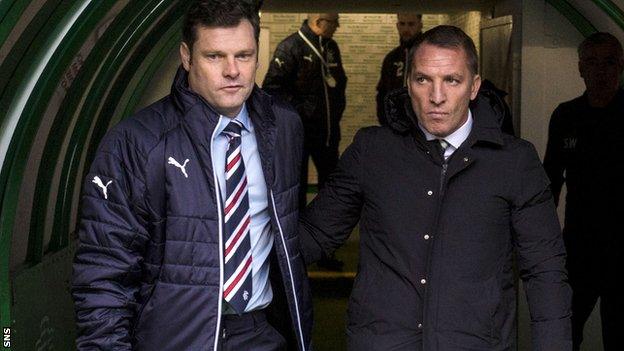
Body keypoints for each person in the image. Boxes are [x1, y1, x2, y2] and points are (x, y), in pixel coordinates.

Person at [299, 25, 572, 350]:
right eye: (423, 79)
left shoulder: (515, 162)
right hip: (383, 342)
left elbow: (546, 271)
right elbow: (313, 236)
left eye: (451, 81)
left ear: (474, 87)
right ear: (408, 83)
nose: (436, 97)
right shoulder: (372, 151)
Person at [71, 1, 312, 350]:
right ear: (187, 57)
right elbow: (104, 273)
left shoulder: (284, 127)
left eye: (244, 55)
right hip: (176, 336)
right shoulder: (137, 142)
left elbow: (288, 231)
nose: (233, 71)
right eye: (215, 56)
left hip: (260, 333)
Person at [543, 32, 624, 351]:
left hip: (623, 250)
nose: (600, 71)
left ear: (620, 66)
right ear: (580, 68)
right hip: (580, 246)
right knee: (564, 330)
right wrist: (542, 246)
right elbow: (551, 181)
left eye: (608, 62)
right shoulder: (567, 116)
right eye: (592, 62)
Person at [263, 13, 347, 271]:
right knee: (295, 193)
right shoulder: (290, 47)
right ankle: (293, 253)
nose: (337, 27)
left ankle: (325, 253)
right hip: (298, 136)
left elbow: (339, 83)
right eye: (334, 23)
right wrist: (302, 112)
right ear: (319, 22)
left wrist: (335, 109)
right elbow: (271, 89)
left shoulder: (331, 47)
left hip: (327, 134)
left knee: (330, 193)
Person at [376, 13, 423, 126]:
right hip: (395, 127)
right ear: (397, 26)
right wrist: (386, 122)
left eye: (411, 24)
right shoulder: (391, 58)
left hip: (423, 126)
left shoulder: (429, 55)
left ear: (420, 25)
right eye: (402, 24)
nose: (406, 29)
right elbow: (382, 93)